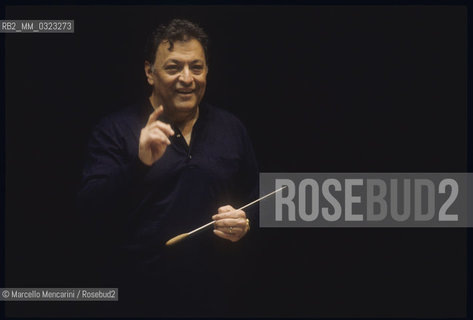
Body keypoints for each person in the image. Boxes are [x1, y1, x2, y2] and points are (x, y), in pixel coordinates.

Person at [77, 19, 258, 316]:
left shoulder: (231, 128)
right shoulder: (115, 130)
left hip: (216, 300)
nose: (187, 78)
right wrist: (139, 163)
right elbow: (89, 210)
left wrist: (244, 221)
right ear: (150, 72)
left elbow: (256, 197)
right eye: (174, 67)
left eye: (196, 67)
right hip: (135, 301)